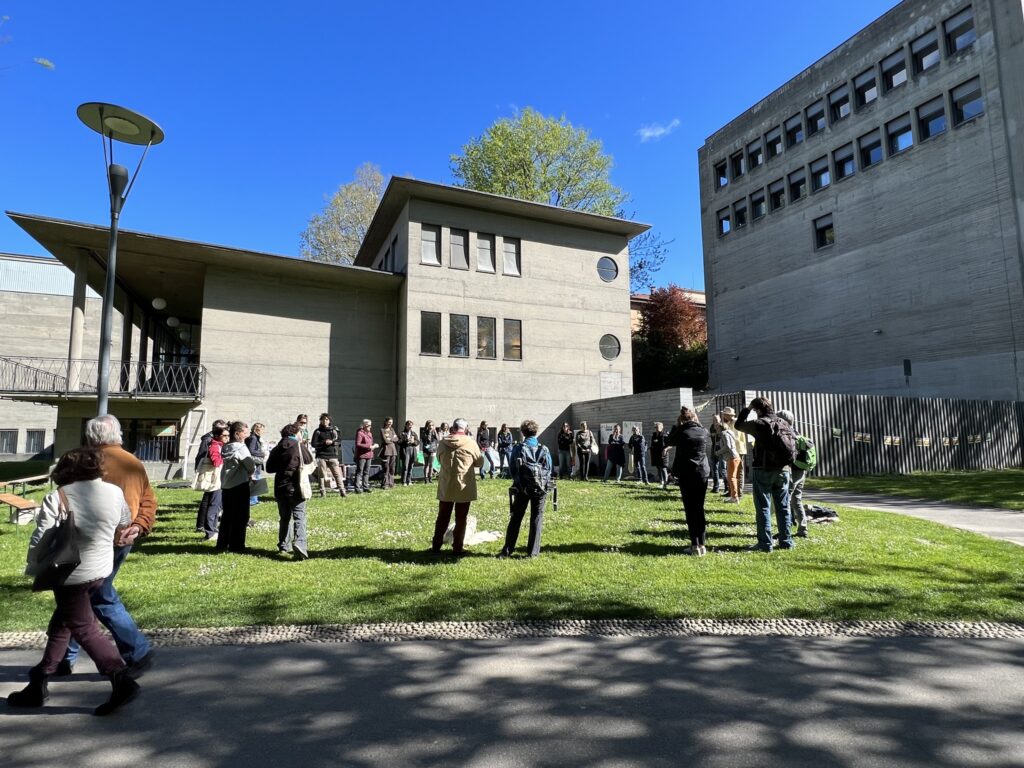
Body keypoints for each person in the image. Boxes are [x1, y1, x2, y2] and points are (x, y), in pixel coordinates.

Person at [8, 448, 140, 716]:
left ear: (65, 470)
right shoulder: (114, 492)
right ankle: (39, 681)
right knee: (63, 623)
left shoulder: (59, 496)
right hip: (101, 569)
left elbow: (41, 538)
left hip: (71, 575)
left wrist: (33, 567)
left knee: (84, 628)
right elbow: (124, 522)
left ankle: (120, 679)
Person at [60, 414, 156, 679]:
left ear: (91, 437)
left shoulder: (86, 462)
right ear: (118, 435)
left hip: (91, 541)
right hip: (123, 537)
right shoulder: (133, 461)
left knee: (92, 596)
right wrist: (139, 525)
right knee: (84, 597)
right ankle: (62, 658)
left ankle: (137, 651)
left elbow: (66, 498)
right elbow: (149, 500)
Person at [736, 397, 793, 552]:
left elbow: (738, 425)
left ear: (758, 410)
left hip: (763, 469)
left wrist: (747, 409)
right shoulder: (784, 423)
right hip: (783, 470)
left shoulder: (758, 424)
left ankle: (765, 543)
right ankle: (786, 541)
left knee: (763, 507)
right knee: (783, 507)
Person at [498, 419, 552, 558]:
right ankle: (533, 553)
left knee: (516, 518)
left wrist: (518, 481)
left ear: (523, 433)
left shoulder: (518, 448)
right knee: (536, 518)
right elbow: (549, 469)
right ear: (536, 432)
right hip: (540, 489)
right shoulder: (544, 449)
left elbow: (512, 468)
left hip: (522, 488)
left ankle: (508, 550)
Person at [432, 418, 484, 555]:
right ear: (466, 429)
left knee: (442, 516)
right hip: (464, 485)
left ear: (453, 428)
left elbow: (438, 459)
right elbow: (479, 462)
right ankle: (457, 547)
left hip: (446, 484)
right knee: (461, 518)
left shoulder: (443, 442)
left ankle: (436, 545)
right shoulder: (471, 443)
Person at [666, 408, 710, 556]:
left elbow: (669, 440)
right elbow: (700, 427)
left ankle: (694, 545)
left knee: (690, 510)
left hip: (687, 474)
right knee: (699, 508)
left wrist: (677, 425)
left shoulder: (682, 432)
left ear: (682, 420)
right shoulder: (703, 431)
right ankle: (702, 544)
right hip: (702, 472)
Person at [266, 422, 309, 560]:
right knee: (299, 516)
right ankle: (300, 544)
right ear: (296, 433)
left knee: (284, 517)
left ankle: (284, 544)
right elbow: (309, 460)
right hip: (295, 485)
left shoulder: (277, 447)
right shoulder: (298, 445)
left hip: (280, 486)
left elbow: (269, 468)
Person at [217, 421, 256, 553]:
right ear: (237, 433)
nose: (246, 435)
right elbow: (250, 465)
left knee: (227, 515)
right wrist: (251, 472)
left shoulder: (226, 447)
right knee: (241, 516)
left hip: (227, 485)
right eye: (244, 433)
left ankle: (222, 543)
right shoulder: (241, 448)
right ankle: (237, 545)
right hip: (239, 484)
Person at [778, 409, 810, 538]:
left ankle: (785, 531)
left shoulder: (787, 433)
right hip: (801, 470)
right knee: (796, 500)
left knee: (785, 499)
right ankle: (803, 529)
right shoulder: (797, 432)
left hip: (793, 470)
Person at [194, 418, 227, 531]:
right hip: (211, 473)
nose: (227, 436)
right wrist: (198, 470)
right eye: (224, 432)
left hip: (216, 473)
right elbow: (202, 455)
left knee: (211, 499)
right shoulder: (209, 441)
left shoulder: (217, 442)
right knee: (208, 500)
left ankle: (206, 524)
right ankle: (203, 525)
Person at [312, 413, 347, 497]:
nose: (325, 421)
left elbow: (339, 440)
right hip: (321, 456)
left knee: (337, 474)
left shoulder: (334, 430)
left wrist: (332, 442)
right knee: (321, 475)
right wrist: (324, 443)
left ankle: (342, 491)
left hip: (333, 456)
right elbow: (313, 444)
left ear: (329, 421)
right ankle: (322, 492)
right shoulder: (318, 431)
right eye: (323, 419)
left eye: (327, 419)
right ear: (320, 421)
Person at [720, 407, 748, 499]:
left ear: (728, 415)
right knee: (731, 472)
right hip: (733, 450)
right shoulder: (728, 423)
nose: (723, 416)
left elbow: (735, 437)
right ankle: (732, 491)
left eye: (724, 414)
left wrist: (726, 435)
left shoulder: (735, 422)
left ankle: (739, 492)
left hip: (738, 449)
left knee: (739, 472)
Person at [718, 420, 740, 503]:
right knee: (732, 478)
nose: (717, 429)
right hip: (735, 456)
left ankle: (734, 498)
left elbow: (727, 446)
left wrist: (718, 452)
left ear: (721, 428)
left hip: (732, 457)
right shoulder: (730, 432)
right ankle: (734, 496)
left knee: (731, 478)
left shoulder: (724, 434)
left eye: (717, 427)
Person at [246, 422, 267, 506]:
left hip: (256, 464)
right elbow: (251, 451)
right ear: (257, 429)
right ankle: (252, 500)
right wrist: (262, 453)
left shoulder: (255, 438)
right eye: (262, 429)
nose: (263, 431)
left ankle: (255, 499)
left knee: (256, 479)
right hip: (254, 463)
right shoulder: (253, 438)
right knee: (254, 479)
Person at [354, 419, 375, 493]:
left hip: (369, 455)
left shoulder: (370, 433)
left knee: (367, 472)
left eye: (370, 425)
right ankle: (357, 488)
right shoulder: (360, 433)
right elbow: (358, 444)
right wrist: (369, 446)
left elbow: (371, 444)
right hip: (361, 455)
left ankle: (365, 487)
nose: (370, 427)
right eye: (369, 425)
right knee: (360, 471)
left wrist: (373, 446)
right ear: (364, 425)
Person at [378, 417, 399, 489]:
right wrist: (391, 439)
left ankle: (391, 483)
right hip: (386, 451)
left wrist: (391, 439)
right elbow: (385, 441)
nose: (390, 424)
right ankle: (385, 484)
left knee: (392, 468)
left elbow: (396, 439)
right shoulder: (382, 430)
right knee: (386, 468)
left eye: (391, 422)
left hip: (393, 451)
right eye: (389, 422)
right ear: (386, 422)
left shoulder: (392, 429)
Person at [708, 416, 725, 494]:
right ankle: (716, 487)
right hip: (714, 449)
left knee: (723, 470)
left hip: (721, 449)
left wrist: (716, 434)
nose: (715, 421)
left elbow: (723, 435)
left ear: (720, 419)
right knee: (714, 469)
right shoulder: (712, 426)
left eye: (716, 419)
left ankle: (727, 487)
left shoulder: (722, 426)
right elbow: (711, 434)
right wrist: (713, 434)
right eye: (714, 420)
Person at [650, 422, 670, 490]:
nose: (656, 428)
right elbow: (653, 444)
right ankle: (661, 483)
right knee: (658, 468)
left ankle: (665, 483)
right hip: (656, 455)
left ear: (662, 427)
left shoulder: (665, 434)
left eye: (658, 427)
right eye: (655, 427)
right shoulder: (654, 435)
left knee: (663, 468)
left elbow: (671, 445)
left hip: (663, 454)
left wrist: (665, 449)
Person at [399, 420, 419, 486]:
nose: (410, 426)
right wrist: (406, 440)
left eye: (411, 425)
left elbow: (417, 442)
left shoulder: (413, 433)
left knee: (411, 466)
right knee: (405, 466)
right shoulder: (402, 433)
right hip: (405, 450)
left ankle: (409, 480)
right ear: (406, 426)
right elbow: (399, 442)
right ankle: (404, 481)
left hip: (412, 450)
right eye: (409, 425)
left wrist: (413, 442)